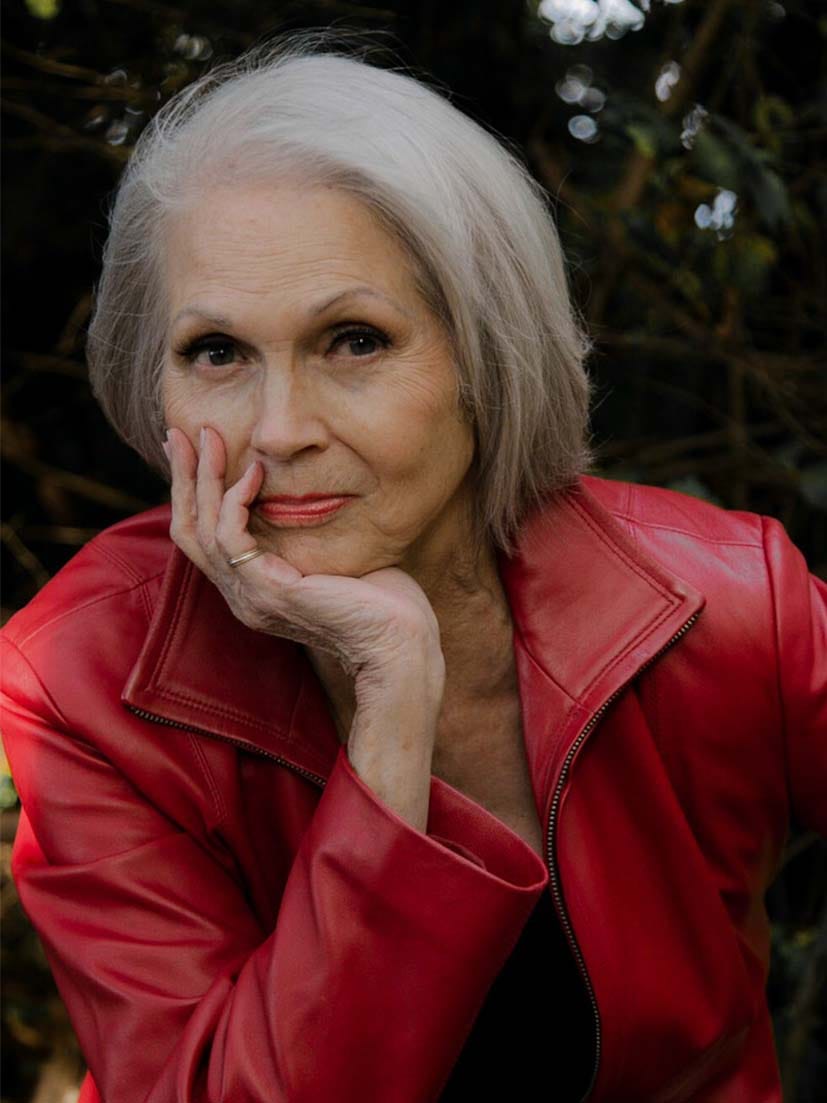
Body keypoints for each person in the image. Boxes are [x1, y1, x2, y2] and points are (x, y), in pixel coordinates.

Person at [1, 31, 824, 1103]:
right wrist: (391, 706)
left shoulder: (723, 601)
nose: (277, 429)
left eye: (353, 340)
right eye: (217, 352)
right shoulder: (81, 676)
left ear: (486, 355)